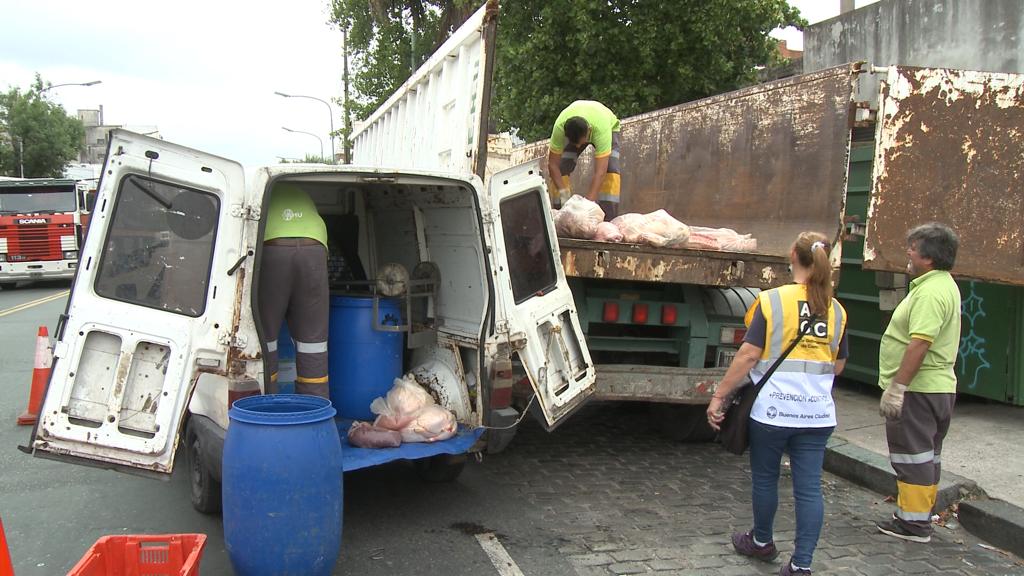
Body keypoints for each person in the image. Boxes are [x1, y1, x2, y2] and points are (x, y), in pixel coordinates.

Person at [708, 231, 849, 576]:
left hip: (772, 411)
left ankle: (761, 541)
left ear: (792, 256)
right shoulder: (837, 309)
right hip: (816, 414)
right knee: (809, 489)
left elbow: (748, 355)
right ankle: (801, 565)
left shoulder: (772, 301)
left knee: (766, 479)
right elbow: (839, 364)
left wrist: (719, 396)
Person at [875, 222, 961, 543]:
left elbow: (920, 343)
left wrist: (897, 388)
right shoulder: (941, 285)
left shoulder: (931, 292)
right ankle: (918, 516)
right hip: (935, 388)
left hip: (919, 391)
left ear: (928, 256)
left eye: (913, 247)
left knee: (912, 456)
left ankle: (912, 525)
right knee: (926, 456)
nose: (908, 253)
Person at [259, 182, 330, 399]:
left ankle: (265, 401)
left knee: (265, 334)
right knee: (313, 341)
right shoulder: (301, 192)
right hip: (314, 245)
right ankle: (315, 407)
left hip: (273, 245)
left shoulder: (262, 191)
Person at [547, 100, 622, 220]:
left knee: (610, 170)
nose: (578, 147)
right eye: (574, 144)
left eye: (580, 143)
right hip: (578, 126)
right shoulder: (559, 128)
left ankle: (609, 219)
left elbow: (600, 172)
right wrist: (564, 194)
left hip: (608, 125)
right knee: (561, 168)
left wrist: (586, 207)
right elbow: (552, 165)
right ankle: (562, 215)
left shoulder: (601, 130)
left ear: (589, 131)